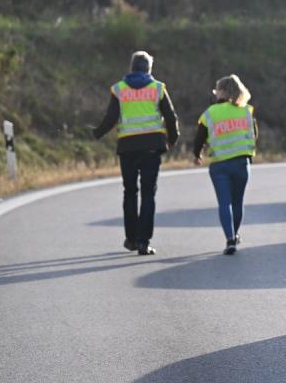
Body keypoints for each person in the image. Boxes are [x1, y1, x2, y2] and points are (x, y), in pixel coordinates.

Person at [93, 51, 179, 256]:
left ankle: (131, 239)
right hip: (151, 147)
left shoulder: (119, 89)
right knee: (149, 194)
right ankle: (143, 242)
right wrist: (172, 139)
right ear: (149, 68)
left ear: (131, 67)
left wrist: (97, 133)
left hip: (127, 148)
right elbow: (170, 116)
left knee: (130, 192)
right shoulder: (157, 88)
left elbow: (111, 117)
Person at [194, 75, 257, 255]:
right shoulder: (246, 111)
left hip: (219, 165)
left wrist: (196, 154)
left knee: (224, 203)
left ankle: (229, 239)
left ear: (221, 91)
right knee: (238, 202)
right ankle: (235, 234)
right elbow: (254, 134)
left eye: (216, 90)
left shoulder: (210, 113)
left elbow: (199, 138)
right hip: (241, 163)